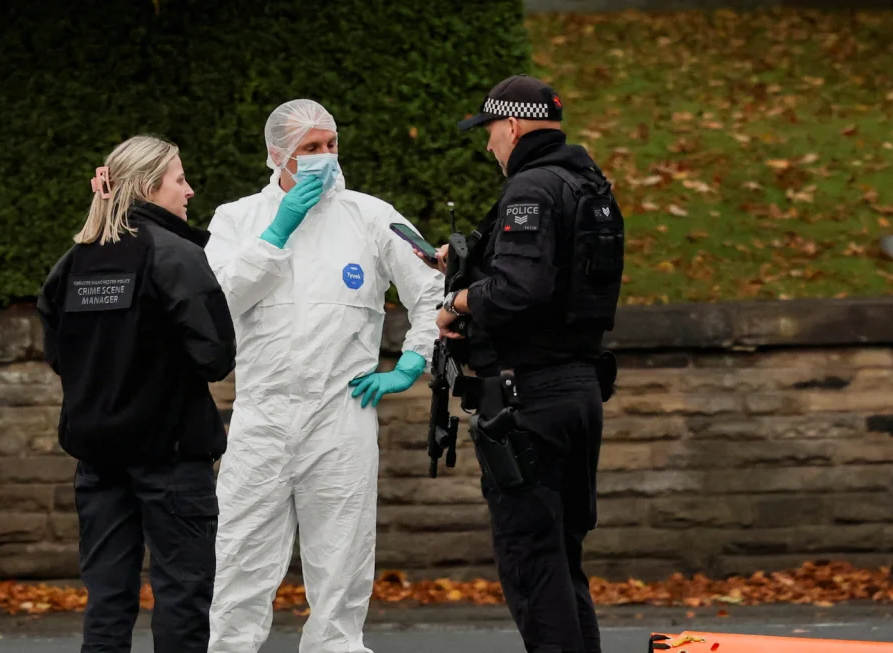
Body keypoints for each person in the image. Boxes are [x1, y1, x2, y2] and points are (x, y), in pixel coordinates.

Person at [203, 99, 443, 653]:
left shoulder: (371, 216)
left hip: (342, 415)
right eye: (310, 149)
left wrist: (412, 360)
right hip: (262, 416)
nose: (325, 158)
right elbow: (218, 300)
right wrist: (276, 233)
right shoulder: (237, 219)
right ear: (277, 155)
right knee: (240, 564)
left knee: (342, 569)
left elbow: (431, 288)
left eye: (331, 145)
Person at [425, 74, 625, 653]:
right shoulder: (590, 186)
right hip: (577, 391)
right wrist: (470, 263)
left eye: (489, 131)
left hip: (528, 401)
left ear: (511, 125)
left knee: (533, 568)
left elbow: (518, 292)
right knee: (561, 562)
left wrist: (455, 304)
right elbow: (554, 283)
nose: (489, 145)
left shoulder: (531, 189)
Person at [36, 134, 237, 653]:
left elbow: (60, 352)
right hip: (170, 456)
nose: (188, 190)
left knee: (107, 600)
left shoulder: (73, 262)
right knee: (182, 598)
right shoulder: (176, 256)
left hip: (98, 460)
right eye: (179, 179)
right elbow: (215, 356)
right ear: (150, 187)